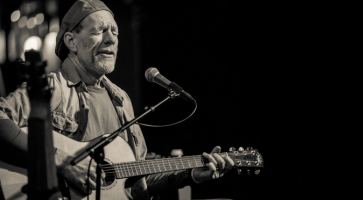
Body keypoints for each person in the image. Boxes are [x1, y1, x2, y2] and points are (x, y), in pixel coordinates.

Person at [0, 0, 234, 199]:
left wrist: (192, 174)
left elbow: (139, 180)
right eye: (100, 30)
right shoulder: (53, 88)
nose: (111, 39)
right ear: (72, 42)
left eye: (115, 32)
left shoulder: (121, 100)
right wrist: (60, 161)